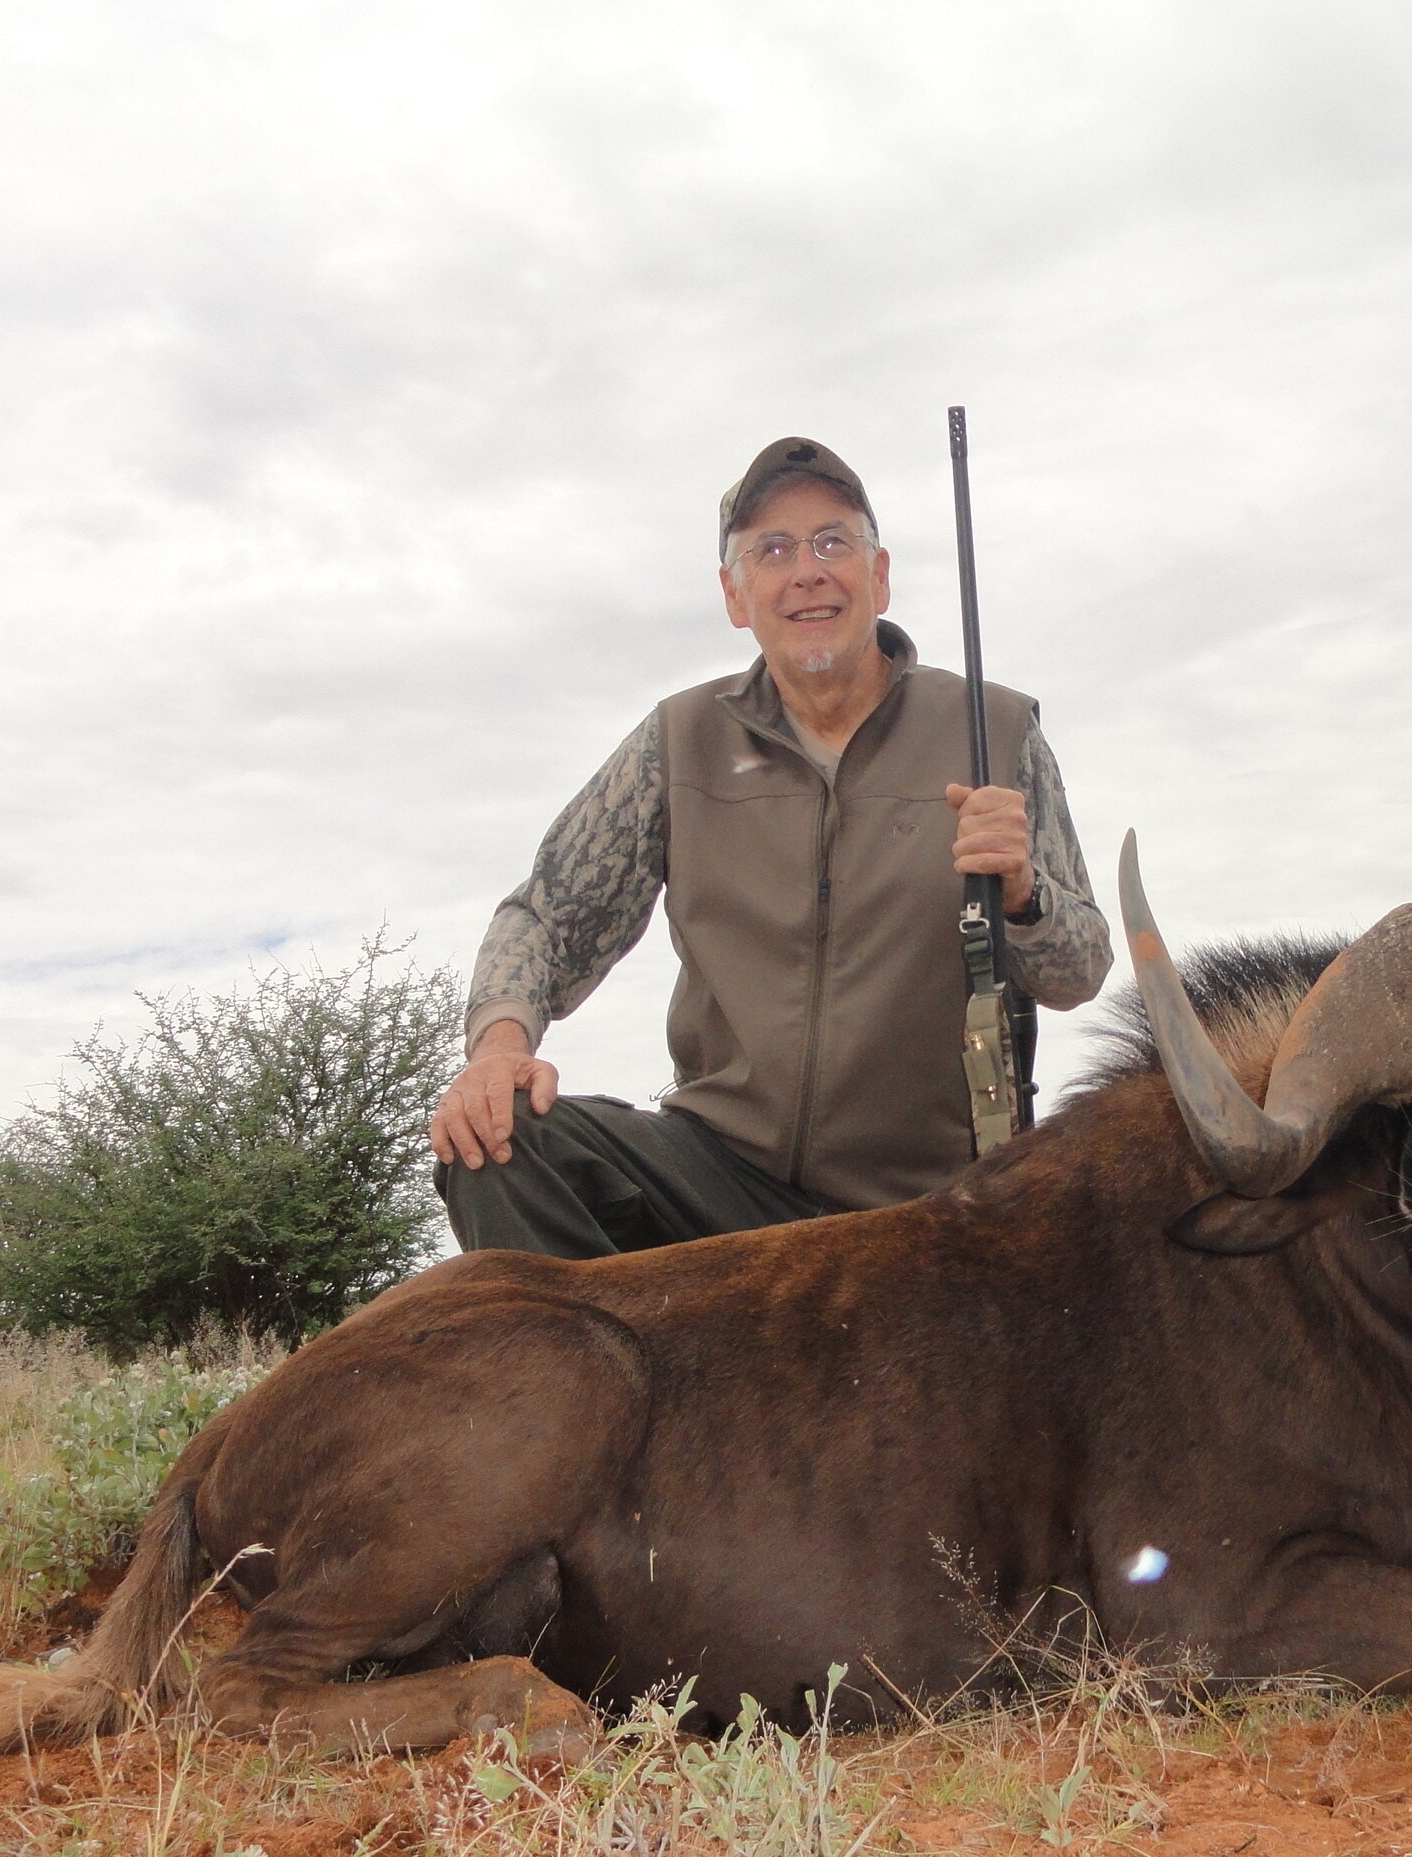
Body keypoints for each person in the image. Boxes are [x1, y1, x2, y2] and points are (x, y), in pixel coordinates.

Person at [429, 436, 1112, 1258]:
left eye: (834, 542)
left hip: (923, 1205)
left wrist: (1022, 894)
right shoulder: (679, 740)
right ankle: (602, 1384)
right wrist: (499, 1051)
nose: (808, 572)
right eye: (773, 550)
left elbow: (1082, 971)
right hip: (718, 1174)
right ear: (735, 593)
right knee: (500, 1144)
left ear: (880, 573)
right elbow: (544, 917)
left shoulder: (994, 732)